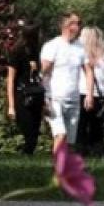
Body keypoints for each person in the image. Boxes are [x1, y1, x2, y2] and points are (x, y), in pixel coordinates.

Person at [40, 11, 85, 153]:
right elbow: (43, 73)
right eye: (76, 23)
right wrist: (42, 99)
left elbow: (88, 70)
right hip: (55, 99)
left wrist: (89, 94)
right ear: (67, 26)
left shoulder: (80, 47)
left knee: (70, 142)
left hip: (74, 99)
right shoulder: (52, 46)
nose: (79, 27)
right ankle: (58, 170)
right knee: (61, 135)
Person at [76, 25, 104, 157]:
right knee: (97, 128)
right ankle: (98, 154)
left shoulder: (80, 56)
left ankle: (81, 154)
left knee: (80, 127)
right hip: (101, 96)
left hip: (82, 93)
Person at [5, 23, 45, 155]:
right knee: (28, 133)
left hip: (36, 94)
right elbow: (10, 79)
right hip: (22, 95)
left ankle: (28, 159)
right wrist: (11, 106)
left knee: (35, 133)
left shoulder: (37, 51)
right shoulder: (17, 52)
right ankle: (24, 158)